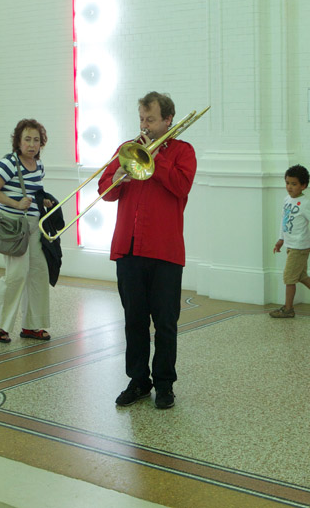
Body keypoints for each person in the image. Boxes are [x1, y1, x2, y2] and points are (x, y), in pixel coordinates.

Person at [99, 92, 197, 410]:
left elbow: (181, 187)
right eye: (142, 118)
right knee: (134, 321)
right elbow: (104, 191)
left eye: (151, 119)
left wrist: (155, 157)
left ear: (168, 120)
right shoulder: (127, 150)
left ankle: (165, 384)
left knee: (165, 323)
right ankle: (139, 381)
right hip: (128, 250)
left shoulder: (183, 152)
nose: (145, 125)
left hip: (165, 252)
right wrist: (115, 177)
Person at [0, 119, 54, 343]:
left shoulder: (39, 166)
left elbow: (34, 192)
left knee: (39, 272)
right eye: (27, 139)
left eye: (36, 140)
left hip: (34, 225)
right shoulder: (8, 163)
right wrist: (15, 204)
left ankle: (32, 325)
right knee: (16, 274)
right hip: (14, 226)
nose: (32, 145)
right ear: (18, 141)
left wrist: (43, 202)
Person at [271, 164, 310, 318]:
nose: (289, 187)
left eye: (294, 184)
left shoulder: (305, 203)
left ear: (303, 186)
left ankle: (288, 309)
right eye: (287, 183)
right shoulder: (286, 200)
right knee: (301, 276)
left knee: (289, 278)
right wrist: (280, 240)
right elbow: (283, 221)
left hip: (300, 247)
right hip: (290, 245)